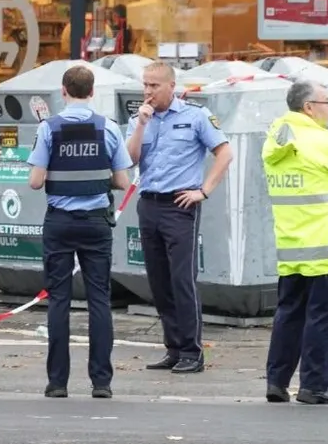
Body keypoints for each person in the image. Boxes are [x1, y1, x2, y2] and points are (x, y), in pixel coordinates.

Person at [27, 64, 133, 398]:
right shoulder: (109, 128)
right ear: (92, 92)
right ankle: (101, 382)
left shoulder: (49, 128)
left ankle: (57, 382)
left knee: (58, 300)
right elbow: (122, 181)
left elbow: (35, 182)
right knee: (99, 299)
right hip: (96, 223)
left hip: (59, 222)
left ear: (63, 91)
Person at [262, 80, 328, 405]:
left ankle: (277, 382)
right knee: (324, 316)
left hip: (291, 245)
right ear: (309, 107)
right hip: (326, 247)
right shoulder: (324, 142)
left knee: (288, 313)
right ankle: (314, 385)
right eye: (327, 102)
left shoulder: (275, 138)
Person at [125, 61, 234, 374]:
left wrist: (204, 190)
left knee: (182, 279)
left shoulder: (194, 116)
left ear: (171, 86)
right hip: (149, 203)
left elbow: (225, 153)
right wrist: (142, 125)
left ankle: (192, 350)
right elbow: (130, 159)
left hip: (180, 204)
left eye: (154, 85)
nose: (148, 91)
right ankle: (173, 347)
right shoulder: (139, 119)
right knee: (158, 280)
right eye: (145, 85)